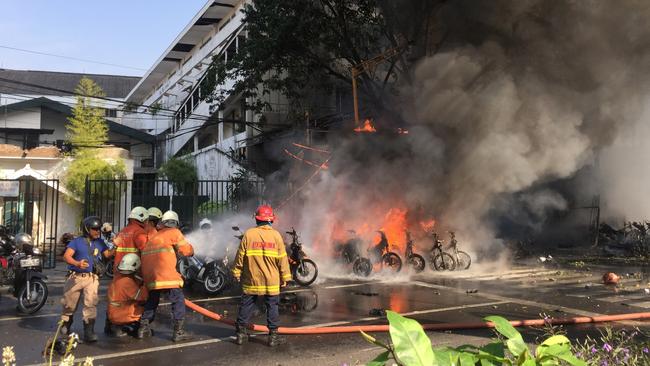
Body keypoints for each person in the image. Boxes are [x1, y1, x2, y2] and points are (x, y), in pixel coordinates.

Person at [232, 205, 291, 347]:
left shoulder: (249, 234)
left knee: (246, 305)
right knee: (272, 306)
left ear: (257, 219)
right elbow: (282, 259)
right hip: (271, 280)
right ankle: (273, 337)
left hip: (252, 278)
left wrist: (236, 272)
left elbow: (240, 255)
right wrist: (286, 277)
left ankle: (241, 335)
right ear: (271, 220)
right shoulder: (276, 235)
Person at [139, 210, 194, 342]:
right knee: (178, 299)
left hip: (150, 277)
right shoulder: (174, 232)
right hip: (165, 274)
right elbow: (186, 250)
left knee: (152, 299)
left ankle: (143, 328)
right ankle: (178, 331)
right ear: (175, 223)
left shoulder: (155, 237)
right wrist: (192, 250)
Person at [60, 216, 112, 342]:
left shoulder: (100, 242)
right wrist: (77, 263)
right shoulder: (76, 242)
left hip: (92, 278)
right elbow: (66, 256)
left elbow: (108, 255)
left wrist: (116, 245)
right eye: (94, 229)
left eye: (99, 229)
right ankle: (66, 324)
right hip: (76, 278)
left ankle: (89, 332)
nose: (97, 231)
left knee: (91, 304)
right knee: (69, 305)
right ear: (87, 229)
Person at [106, 253, 148, 337]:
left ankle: (113, 327)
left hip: (111, 314)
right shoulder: (128, 282)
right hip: (122, 314)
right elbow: (143, 297)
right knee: (146, 307)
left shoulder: (116, 280)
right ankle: (140, 329)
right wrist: (145, 285)